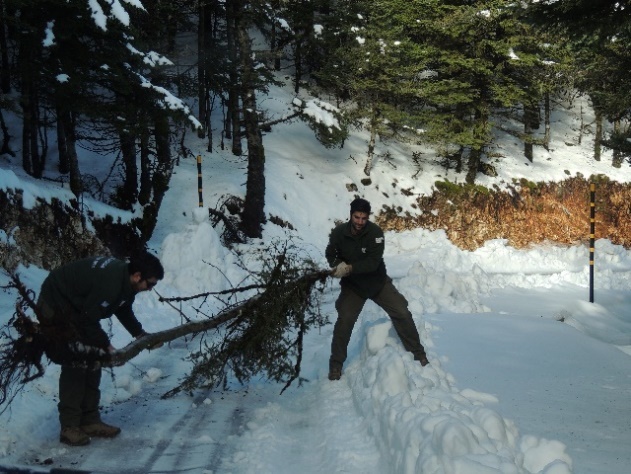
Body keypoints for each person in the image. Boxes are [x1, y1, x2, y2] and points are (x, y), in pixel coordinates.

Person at [37, 252, 164, 446]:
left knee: (94, 359)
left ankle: (89, 420)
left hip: (78, 308)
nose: (150, 289)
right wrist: (106, 345)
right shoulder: (111, 283)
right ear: (137, 276)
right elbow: (88, 318)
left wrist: (140, 334)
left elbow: (122, 308)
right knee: (77, 360)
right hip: (56, 304)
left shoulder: (126, 282)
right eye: (150, 284)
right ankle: (69, 427)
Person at [325, 198, 428, 381]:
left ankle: (418, 353)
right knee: (344, 321)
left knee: (402, 312)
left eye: (364, 218)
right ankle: (336, 365)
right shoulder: (339, 233)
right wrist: (337, 264)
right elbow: (330, 253)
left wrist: (349, 268)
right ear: (351, 215)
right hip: (353, 287)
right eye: (357, 217)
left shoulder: (375, 233)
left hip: (377, 283)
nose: (360, 222)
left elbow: (372, 263)